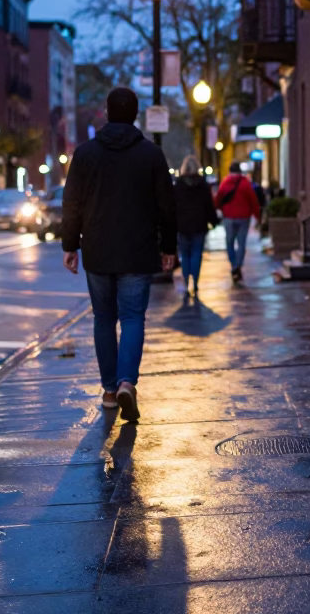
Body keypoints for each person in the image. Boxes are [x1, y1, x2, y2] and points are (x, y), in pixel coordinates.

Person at [61, 87, 177, 421]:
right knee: (132, 318)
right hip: (138, 250)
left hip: (97, 248)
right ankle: (128, 381)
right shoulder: (151, 155)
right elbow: (167, 207)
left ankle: (110, 391)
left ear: (107, 113)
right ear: (136, 114)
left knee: (103, 319)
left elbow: (72, 204)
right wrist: (169, 248)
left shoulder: (85, 155)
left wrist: (71, 244)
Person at [173, 155, 217, 296]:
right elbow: (208, 205)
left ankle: (186, 282)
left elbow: (172, 207)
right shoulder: (203, 185)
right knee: (197, 254)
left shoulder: (178, 186)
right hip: (199, 224)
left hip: (182, 225)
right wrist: (213, 221)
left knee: (185, 255)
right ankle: (196, 282)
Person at [214, 162, 261, 284]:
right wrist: (258, 216)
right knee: (241, 243)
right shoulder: (245, 183)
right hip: (244, 217)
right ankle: (237, 266)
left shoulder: (225, 183)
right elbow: (253, 201)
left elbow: (218, 199)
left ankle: (234, 264)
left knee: (229, 242)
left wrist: (217, 209)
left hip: (229, 217)